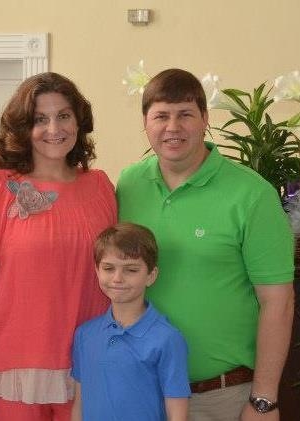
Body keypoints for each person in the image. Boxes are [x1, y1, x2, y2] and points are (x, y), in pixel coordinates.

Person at [117, 68, 295, 420]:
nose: (173, 127)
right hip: (143, 390)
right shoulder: (129, 184)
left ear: (205, 119)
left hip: (221, 397)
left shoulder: (251, 194)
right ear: (145, 123)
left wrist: (264, 399)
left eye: (185, 114)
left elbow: (278, 301)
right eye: (161, 116)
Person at [0, 72, 117, 421]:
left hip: (88, 366)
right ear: (23, 127)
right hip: (10, 370)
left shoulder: (101, 186)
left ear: (79, 122)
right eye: (40, 119)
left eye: (64, 116)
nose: (53, 128)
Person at [70, 222, 190, 421]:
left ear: (151, 276)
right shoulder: (84, 335)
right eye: (108, 268)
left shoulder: (167, 339)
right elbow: (79, 404)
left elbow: (177, 414)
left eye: (131, 270)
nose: (117, 278)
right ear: (97, 271)